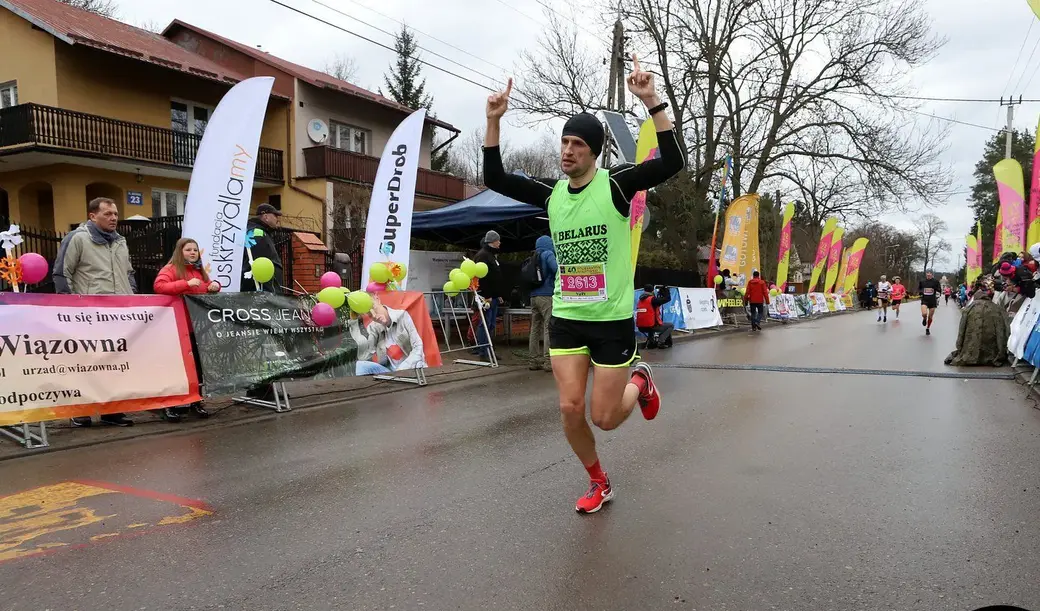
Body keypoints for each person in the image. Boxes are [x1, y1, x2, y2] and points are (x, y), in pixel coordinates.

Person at [482, 57, 683, 513]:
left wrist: (651, 100)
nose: (567, 151)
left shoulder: (615, 187)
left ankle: (640, 380)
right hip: (568, 318)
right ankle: (599, 481)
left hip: (610, 321)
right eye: (564, 142)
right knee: (570, 409)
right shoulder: (551, 194)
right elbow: (494, 177)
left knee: (605, 418)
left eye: (577, 144)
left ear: (593, 152)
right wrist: (493, 122)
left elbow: (672, 160)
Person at [52, 197, 136, 427]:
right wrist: (71, 310)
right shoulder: (77, 239)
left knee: (115, 363)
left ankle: (112, 411)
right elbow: (61, 273)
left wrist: (133, 298)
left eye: (116, 214)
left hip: (119, 314)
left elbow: (128, 273)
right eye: (108, 214)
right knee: (85, 364)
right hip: (88, 315)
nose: (114, 218)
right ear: (92, 216)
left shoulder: (121, 241)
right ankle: (80, 410)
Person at [153, 237, 220, 421]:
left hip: (197, 327)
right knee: (176, 366)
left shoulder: (199, 271)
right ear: (179, 252)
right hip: (176, 326)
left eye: (195, 250)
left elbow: (206, 287)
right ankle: (170, 405)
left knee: (196, 366)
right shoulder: (171, 269)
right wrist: (185, 284)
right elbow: (159, 286)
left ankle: (195, 402)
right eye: (188, 249)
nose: (192, 252)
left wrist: (215, 286)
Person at [353, 294, 426, 375]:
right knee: (360, 365)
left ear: (377, 299)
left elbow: (418, 346)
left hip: (411, 369)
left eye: (373, 307)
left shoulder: (402, 316)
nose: (374, 316)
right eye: (369, 313)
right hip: (389, 372)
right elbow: (365, 355)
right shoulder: (373, 327)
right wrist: (354, 322)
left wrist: (401, 370)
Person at [944, 278, 1010, 366]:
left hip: (970, 351)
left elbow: (961, 331)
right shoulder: (998, 310)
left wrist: (960, 348)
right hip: (992, 354)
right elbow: (1003, 332)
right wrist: (1002, 352)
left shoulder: (969, 308)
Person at [528, 235, 558, 371]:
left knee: (535, 328)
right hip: (546, 296)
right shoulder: (548, 254)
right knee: (548, 328)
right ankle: (548, 362)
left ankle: (533, 361)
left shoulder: (534, 256)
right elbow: (557, 269)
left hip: (533, 296)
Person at [473, 230, 504, 358]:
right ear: (492, 241)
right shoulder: (483, 256)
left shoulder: (491, 255)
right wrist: (488, 296)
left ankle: (489, 349)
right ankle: (483, 350)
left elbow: (495, 277)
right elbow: (483, 278)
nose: (500, 243)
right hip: (486, 297)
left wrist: (498, 294)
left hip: (493, 296)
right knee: (485, 323)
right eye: (498, 240)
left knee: (490, 324)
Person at [243, 203, 284, 293]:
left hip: (265, 288)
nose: (277, 219)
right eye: (275, 215)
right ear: (266, 217)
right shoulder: (257, 233)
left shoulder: (261, 232)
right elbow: (257, 261)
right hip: (262, 290)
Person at [919, 270, 941, 335]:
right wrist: (921, 291)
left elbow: (939, 290)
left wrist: (936, 289)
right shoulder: (922, 281)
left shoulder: (936, 281)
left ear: (932, 274)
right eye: (927, 273)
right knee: (924, 313)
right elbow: (919, 288)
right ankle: (924, 318)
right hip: (924, 299)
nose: (928, 274)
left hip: (932, 300)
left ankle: (928, 328)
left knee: (930, 316)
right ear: (926, 274)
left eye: (930, 273)